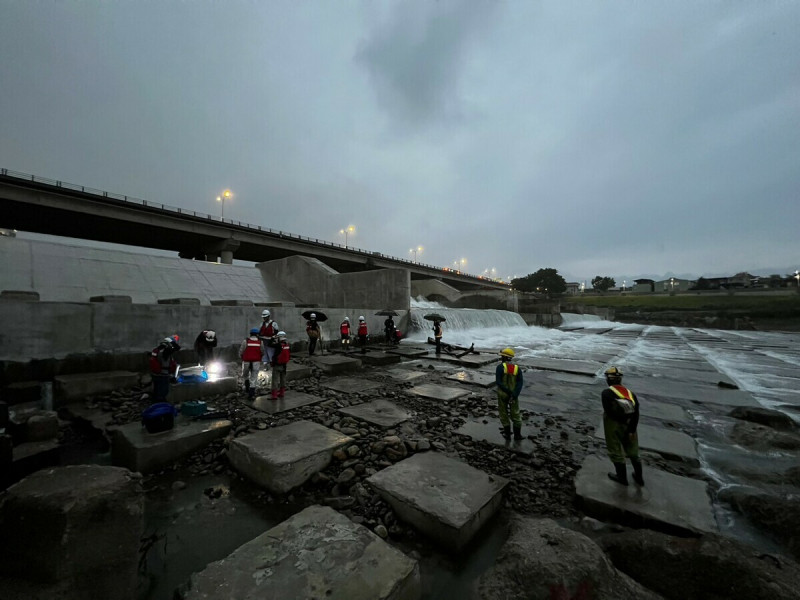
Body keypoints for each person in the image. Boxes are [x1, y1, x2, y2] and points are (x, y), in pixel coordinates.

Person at [601, 366, 644, 486]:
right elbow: (636, 413)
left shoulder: (606, 393)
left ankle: (622, 478)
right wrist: (632, 429)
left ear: (609, 380)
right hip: (630, 425)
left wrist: (620, 420)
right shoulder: (631, 394)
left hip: (613, 426)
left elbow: (609, 412)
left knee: (615, 450)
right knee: (633, 451)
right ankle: (639, 478)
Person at [496, 348, 524, 440]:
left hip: (502, 394)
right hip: (513, 396)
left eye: (501, 356)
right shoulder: (517, 368)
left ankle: (507, 434)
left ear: (504, 357)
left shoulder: (500, 367)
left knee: (503, 413)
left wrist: (507, 391)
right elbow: (520, 383)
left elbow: (499, 382)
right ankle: (517, 435)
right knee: (515, 414)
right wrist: (514, 394)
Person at [149, 335, 180, 402]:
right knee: (163, 391)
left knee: (156, 390)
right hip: (163, 375)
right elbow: (177, 348)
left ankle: (155, 403)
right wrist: (172, 342)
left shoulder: (157, 350)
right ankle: (161, 405)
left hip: (155, 374)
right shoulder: (167, 351)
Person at [240, 328, 263, 399]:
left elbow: (241, 351)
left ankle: (247, 387)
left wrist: (242, 357)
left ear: (250, 334)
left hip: (246, 361)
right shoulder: (260, 342)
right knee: (254, 377)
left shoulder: (245, 341)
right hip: (256, 361)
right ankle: (251, 393)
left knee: (245, 375)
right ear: (257, 334)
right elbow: (262, 351)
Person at [269, 331, 291, 400]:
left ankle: (274, 395)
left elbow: (269, 344)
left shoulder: (278, 345)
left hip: (277, 365)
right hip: (284, 365)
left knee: (275, 380)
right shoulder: (287, 345)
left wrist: (272, 338)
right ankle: (282, 393)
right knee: (283, 379)